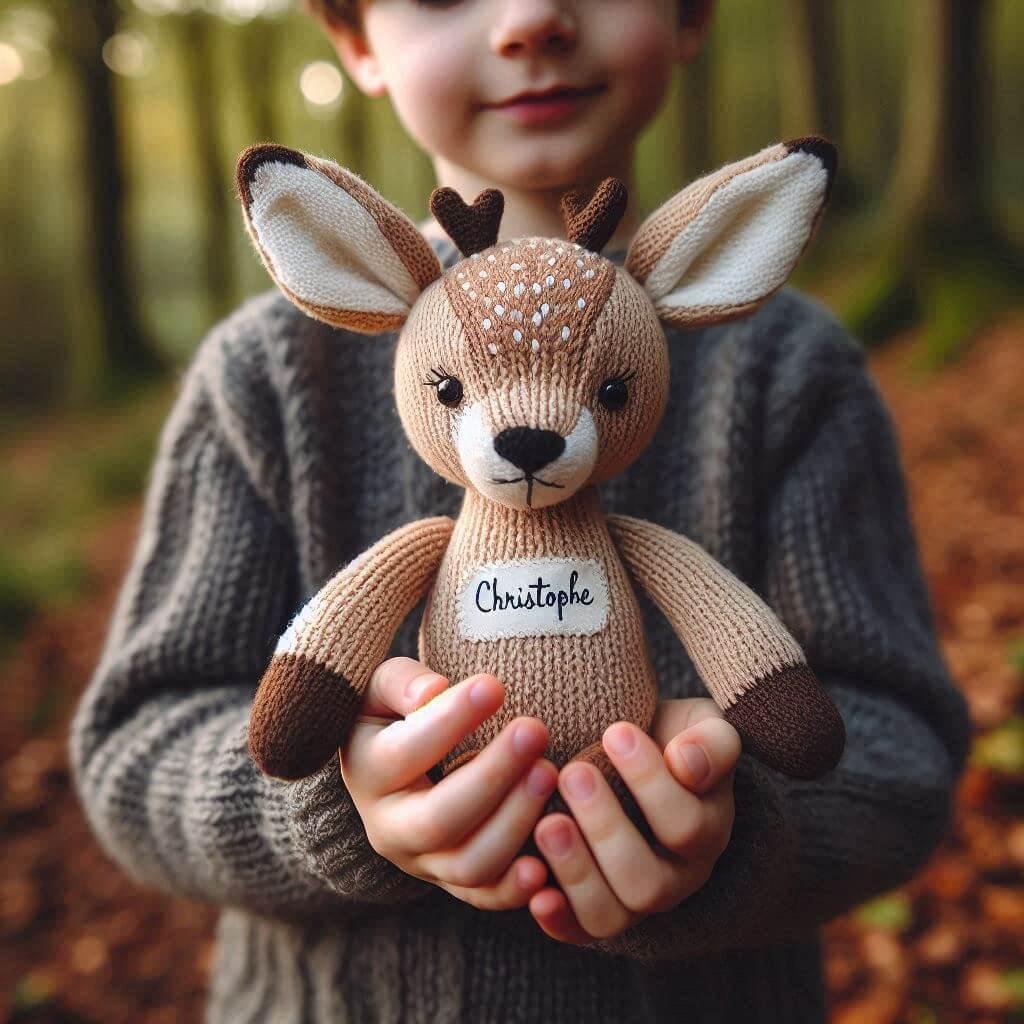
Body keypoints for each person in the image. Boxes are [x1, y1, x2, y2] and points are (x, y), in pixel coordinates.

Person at [70, 1, 971, 1021]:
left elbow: (899, 751)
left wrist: (745, 828)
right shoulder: (268, 377)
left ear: (687, 14)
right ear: (357, 40)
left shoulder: (787, 371)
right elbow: (131, 750)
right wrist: (335, 801)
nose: (532, 17)